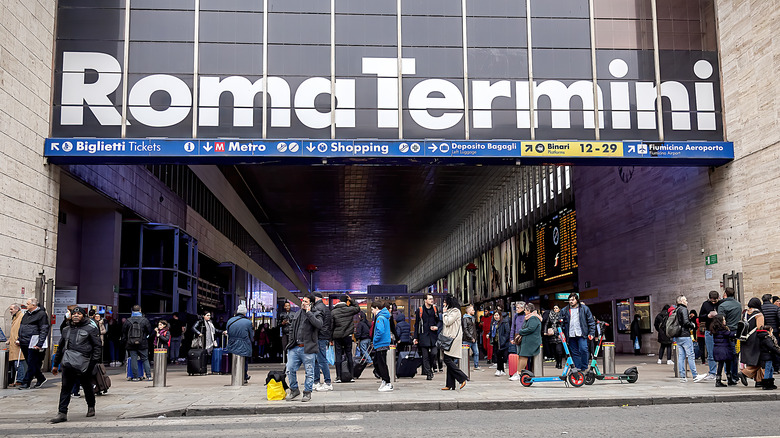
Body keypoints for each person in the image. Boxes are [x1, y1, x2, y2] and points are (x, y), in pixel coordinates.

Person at [50, 306, 102, 423]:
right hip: (68, 364)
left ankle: (91, 406)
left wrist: (92, 363)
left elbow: (97, 347)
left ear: (84, 315)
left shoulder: (90, 329)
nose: (76, 315)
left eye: (79, 314)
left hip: (84, 363)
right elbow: (61, 348)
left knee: (87, 386)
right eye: (74, 314)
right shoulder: (66, 330)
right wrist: (55, 364)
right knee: (65, 388)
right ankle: (62, 412)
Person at [285, 294, 324, 402]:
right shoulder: (297, 313)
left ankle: (307, 392)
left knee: (309, 372)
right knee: (290, 369)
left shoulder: (317, 313)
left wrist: (309, 313)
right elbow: (292, 328)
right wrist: (291, 342)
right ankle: (294, 389)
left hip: (308, 348)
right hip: (295, 347)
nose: (303, 303)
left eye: (306, 302)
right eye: (303, 301)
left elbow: (319, 325)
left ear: (311, 303)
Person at [16, 297, 50, 390]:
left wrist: (40, 344)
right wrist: (19, 338)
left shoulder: (41, 314)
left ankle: (26, 382)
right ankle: (40, 378)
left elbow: (44, 329)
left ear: (33, 305)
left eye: (28, 304)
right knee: (31, 363)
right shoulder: (26, 314)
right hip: (24, 341)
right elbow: (22, 327)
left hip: (33, 342)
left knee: (31, 363)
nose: (26, 305)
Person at [560, 293, 596, 371]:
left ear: (577, 300)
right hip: (570, 334)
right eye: (569, 300)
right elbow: (560, 323)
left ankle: (584, 367)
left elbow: (591, 321)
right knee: (574, 352)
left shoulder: (584, 309)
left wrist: (591, 333)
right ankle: (578, 368)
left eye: (572, 300)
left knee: (583, 349)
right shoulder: (564, 310)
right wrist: (560, 333)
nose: (571, 301)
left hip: (582, 333)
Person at [440, 295, 468, 390]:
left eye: (444, 302)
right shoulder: (451, 311)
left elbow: (448, 322)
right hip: (449, 338)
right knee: (449, 360)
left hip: (453, 339)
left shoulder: (455, 311)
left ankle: (462, 377)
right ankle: (450, 384)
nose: (443, 304)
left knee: (447, 360)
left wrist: (444, 313)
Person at [509, 303, 543, 381]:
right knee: (521, 356)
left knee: (524, 356)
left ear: (528, 310)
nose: (524, 311)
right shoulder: (529, 317)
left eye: (525, 309)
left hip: (531, 341)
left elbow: (531, 328)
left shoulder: (533, 318)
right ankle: (518, 372)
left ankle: (519, 373)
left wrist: (521, 331)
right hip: (527, 340)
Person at [331, 294, 360, 383]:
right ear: (346, 301)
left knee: (338, 355)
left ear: (339, 301)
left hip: (337, 336)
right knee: (349, 355)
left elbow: (331, 326)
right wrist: (352, 300)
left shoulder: (333, 312)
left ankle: (338, 377)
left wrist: (331, 338)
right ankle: (351, 376)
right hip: (348, 335)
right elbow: (357, 308)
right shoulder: (349, 310)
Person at [737, 297, 765, 386]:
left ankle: (759, 381)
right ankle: (745, 373)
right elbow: (760, 328)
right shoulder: (758, 314)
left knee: (754, 359)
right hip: (755, 339)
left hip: (745, 339)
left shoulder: (745, 313)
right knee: (760, 359)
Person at [670, 296, 699, 382]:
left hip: (678, 335)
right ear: (682, 301)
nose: (687, 302)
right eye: (686, 300)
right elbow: (686, 322)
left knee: (681, 356)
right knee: (690, 355)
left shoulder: (676, 310)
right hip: (685, 335)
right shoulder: (684, 309)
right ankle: (695, 375)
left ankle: (683, 376)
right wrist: (692, 325)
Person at [121, 305, 152, 381]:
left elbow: (124, 332)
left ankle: (135, 377)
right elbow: (149, 331)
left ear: (132, 310)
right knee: (145, 359)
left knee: (133, 359)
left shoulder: (128, 321)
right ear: (140, 310)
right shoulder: (144, 320)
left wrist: (126, 341)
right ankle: (149, 376)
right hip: (143, 343)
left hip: (131, 343)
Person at [413, 293, 440, 380]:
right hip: (423, 335)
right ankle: (428, 373)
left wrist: (437, 327)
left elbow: (439, 321)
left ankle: (430, 368)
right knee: (425, 356)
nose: (432, 300)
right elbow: (416, 324)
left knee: (433, 353)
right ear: (425, 300)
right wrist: (415, 337)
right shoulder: (420, 310)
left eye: (432, 299)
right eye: (430, 299)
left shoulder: (435, 309)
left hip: (433, 335)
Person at [718, 287, 742, 380]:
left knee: (725, 355)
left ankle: (728, 375)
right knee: (735, 354)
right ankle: (734, 375)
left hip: (726, 332)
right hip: (736, 332)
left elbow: (720, 320)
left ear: (725, 294)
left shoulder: (722, 306)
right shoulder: (738, 304)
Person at [226, 304, 254, 384]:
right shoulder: (248, 322)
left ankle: (235, 375)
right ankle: (244, 376)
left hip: (232, 344)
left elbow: (228, 332)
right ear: (245, 313)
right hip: (244, 344)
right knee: (244, 361)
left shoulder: (230, 321)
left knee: (234, 360)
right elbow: (251, 336)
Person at [311, 292, 333, 392]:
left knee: (320, 360)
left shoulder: (317, 308)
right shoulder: (325, 307)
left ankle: (327, 382)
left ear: (315, 298)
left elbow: (316, 323)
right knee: (318, 359)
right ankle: (317, 382)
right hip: (323, 336)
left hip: (319, 336)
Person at [696, 291, 720, 381]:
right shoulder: (705, 304)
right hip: (709, 331)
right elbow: (700, 317)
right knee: (710, 353)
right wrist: (708, 316)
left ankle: (722, 372)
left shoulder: (721, 304)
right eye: (712, 301)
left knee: (722, 352)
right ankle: (712, 372)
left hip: (719, 331)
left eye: (715, 300)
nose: (714, 302)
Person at [372, 300, 393, 392]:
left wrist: (375, 339)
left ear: (376, 308)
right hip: (383, 343)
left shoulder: (380, 317)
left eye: (372, 309)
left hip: (380, 343)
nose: (372, 311)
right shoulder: (385, 317)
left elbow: (380, 331)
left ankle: (387, 382)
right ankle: (385, 380)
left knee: (381, 363)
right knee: (378, 362)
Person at [711, 314, 737, 387]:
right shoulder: (723, 330)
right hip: (724, 349)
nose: (725, 321)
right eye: (723, 320)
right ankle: (720, 380)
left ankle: (725, 379)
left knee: (724, 363)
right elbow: (731, 334)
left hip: (718, 348)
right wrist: (736, 333)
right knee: (723, 364)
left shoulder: (715, 329)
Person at [6, 303, 27, 387]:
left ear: (17, 309)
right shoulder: (15, 318)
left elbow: (22, 329)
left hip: (18, 343)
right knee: (16, 362)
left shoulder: (21, 317)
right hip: (14, 343)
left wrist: (19, 339)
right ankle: (18, 379)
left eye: (12, 309)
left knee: (19, 362)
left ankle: (20, 379)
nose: (10, 311)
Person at [757, 326, 780, 390]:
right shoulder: (767, 338)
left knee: (770, 369)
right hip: (767, 356)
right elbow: (772, 347)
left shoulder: (763, 337)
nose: (772, 332)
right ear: (768, 331)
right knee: (767, 370)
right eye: (771, 330)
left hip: (767, 356)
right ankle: (766, 384)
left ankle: (770, 383)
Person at [490, 309, 510, 376]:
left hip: (502, 342)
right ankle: (499, 369)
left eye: (497, 315)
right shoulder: (493, 323)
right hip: (496, 341)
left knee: (502, 356)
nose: (496, 317)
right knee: (498, 356)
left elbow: (507, 332)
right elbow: (492, 331)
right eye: (495, 315)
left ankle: (501, 370)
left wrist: (504, 340)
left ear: (500, 316)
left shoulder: (504, 322)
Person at [462, 304, 480, 370]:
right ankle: (460, 365)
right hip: (467, 339)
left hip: (473, 338)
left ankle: (476, 365)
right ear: (469, 311)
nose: (474, 311)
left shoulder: (472, 318)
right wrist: (471, 337)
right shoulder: (465, 319)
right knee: (464, 354)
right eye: (473, 310)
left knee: (476, 352)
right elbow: (465, 329)